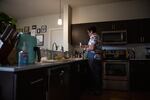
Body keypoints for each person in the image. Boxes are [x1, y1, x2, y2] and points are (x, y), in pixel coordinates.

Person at [84, 26, 102, 95]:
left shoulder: (93, 36)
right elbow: (93, 46)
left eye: (88, 32)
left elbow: (92, 47)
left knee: (95, 74)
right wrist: (86, 47)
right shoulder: (97, 36)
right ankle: (97, 90)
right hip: (97, 57)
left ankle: (96, 91)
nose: (88, 34)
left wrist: (86, 49)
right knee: (96, 74)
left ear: (91, 31)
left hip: (94, 57)